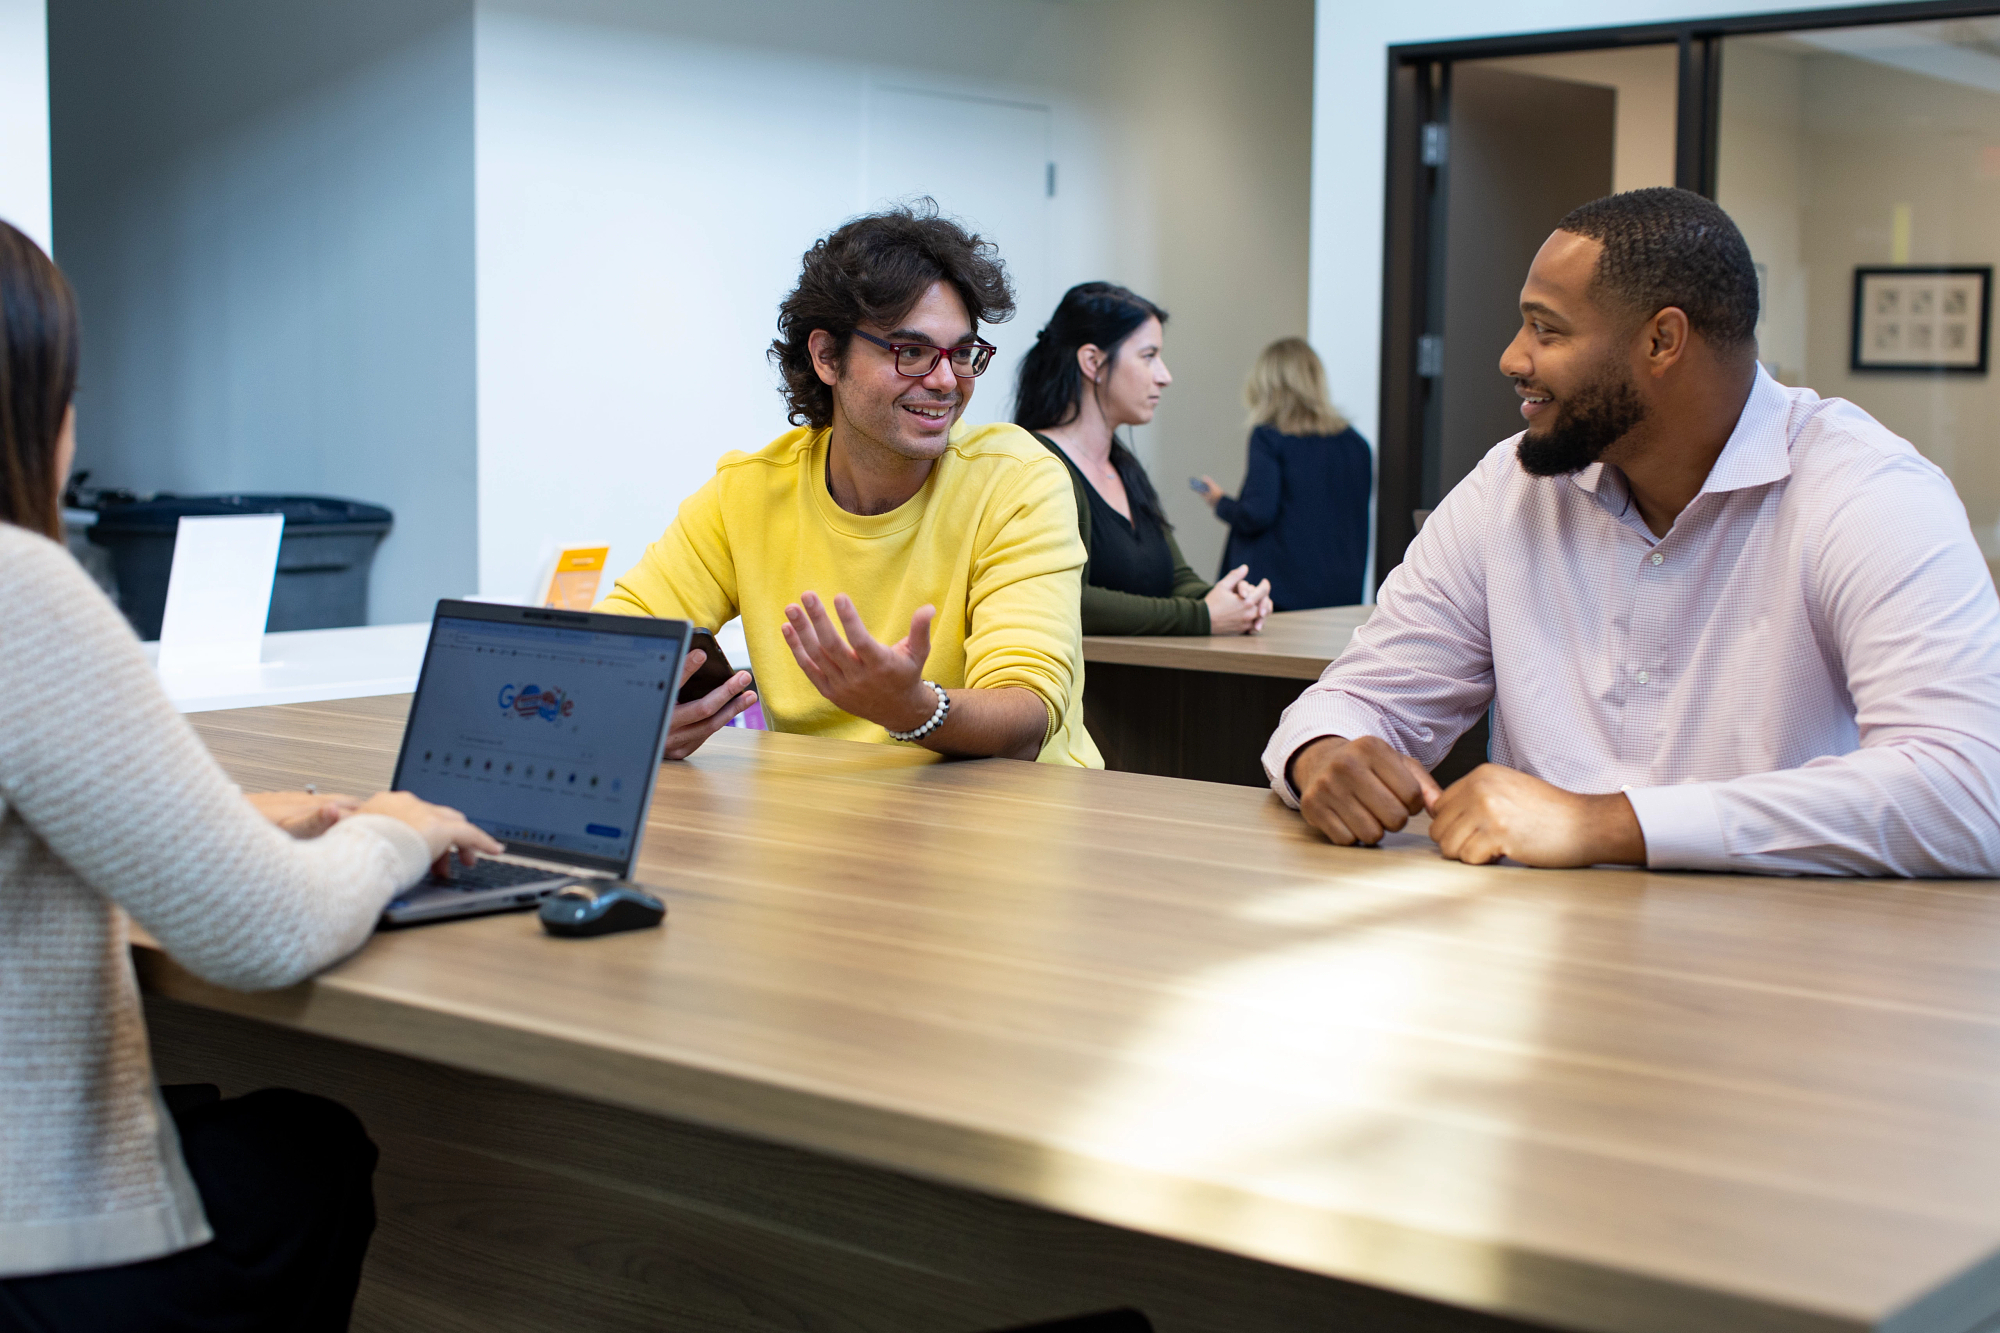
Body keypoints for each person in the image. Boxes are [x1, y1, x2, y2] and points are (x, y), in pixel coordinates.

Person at [0, 220, 502, 1329]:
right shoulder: (18, 588)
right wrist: (399, 829)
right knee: (305, 1150)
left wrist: (210, 819)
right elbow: (260, 936)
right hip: (30, 1248)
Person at [1266, 187, 2000, 876]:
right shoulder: (1509, 488)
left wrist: (1606, 824)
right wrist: (1325, 753)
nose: (1512, 358)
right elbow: (1360, 698)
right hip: (1532, 954)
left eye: (1546, 329)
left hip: (1780, 964)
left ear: (1661, 342)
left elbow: (1971, 789)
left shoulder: (1867, 494)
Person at [597, 204, 1100, 766]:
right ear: (827, 357)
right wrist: (633, 717)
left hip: (1005, 820)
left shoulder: (1017, 482)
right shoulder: (746, 493)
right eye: (910, 352)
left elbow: (1025, 718)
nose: (944, 381)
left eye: (961, 353)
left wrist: (912, 708)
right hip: (830, 820)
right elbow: (614, 644)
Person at [1015, 282, 1270, 636]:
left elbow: (1175, 578)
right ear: (1093, 362)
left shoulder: (1124, 467)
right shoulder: (1036, 465)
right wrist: (1202, 616)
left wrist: (1230, 600)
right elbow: (1069, 599)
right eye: (1148, 356)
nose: (1164, 376)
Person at [1195, 337, 1372, 610]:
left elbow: (1256, 513)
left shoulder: (1269, 437)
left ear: (1267, 384)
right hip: (1340, 597)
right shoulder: (1357, 445)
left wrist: (1220, 502)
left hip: (1279, 598)